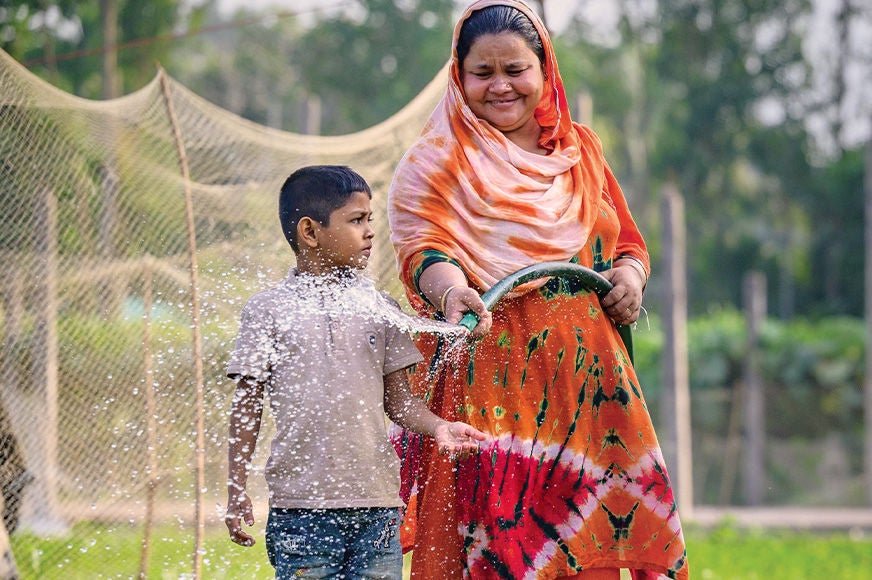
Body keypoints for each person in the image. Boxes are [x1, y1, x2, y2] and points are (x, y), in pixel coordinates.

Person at [387, 2, 689, 579]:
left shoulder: (581, 152)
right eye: (483, 73)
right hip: (492, 382)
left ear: (544, 69)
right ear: (459, 76)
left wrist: (630, 279)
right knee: (501, 545)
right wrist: (451, 292)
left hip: (588, 385)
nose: (500, 86)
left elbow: (626, 243)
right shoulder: (437, 161)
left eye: (515, 70)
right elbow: (424, 250)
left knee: (587, 540)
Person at [224, 165, 488, 579]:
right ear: (310, 232)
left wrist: (439, 426)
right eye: (356, 220)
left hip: (378, 508)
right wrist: (236, 487)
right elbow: (246, 408)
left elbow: (399, 403)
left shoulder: (380, 308)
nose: (370, 232)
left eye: (370, 219)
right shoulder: (269, 311)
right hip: (302, 511)